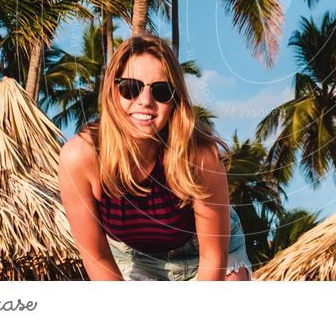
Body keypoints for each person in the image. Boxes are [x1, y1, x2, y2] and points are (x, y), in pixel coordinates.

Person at [58, 35, 251, 281]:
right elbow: (97, 256)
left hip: (202, 249)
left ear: (175, 100)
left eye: (162, 91)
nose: (145, 102)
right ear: (112, 91)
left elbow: (213, 257)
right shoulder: (81, 157)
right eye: (131, 88)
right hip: (132, 255)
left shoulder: (200, 158)